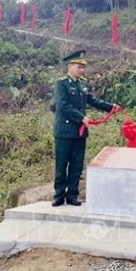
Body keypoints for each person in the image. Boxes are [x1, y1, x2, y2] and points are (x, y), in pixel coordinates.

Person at [53, 50, 119, 207]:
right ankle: (59, 195)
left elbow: (92, 100)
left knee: (77, 164)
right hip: (64, 131)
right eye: (78, 67)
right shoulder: (61, 84)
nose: (81, 70)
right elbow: (62, 105)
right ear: (70, 66)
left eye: (83, 67)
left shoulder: (83, 84)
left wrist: (111, 107)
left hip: (80, 132)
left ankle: (72, 195)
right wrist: (81, 117)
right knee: (62, 165)